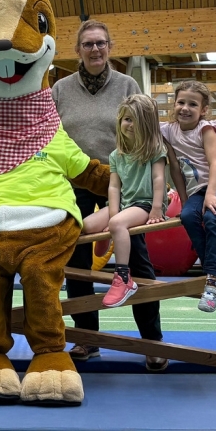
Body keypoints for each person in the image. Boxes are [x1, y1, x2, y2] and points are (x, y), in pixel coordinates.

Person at [51, 19, 166, 372]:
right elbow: (52, 135)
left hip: (125, 178)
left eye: (101, 43)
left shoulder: (127, 84)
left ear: (110, 47)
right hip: (78, 182)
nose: (95, 49)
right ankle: (86, 339)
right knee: (76, 264)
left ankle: (152, 341)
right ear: (78, 51)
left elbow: (148, 129)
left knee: (139, 261)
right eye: (88, 44)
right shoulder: (61, 89)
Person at [163, 80, 216, 313]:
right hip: (197, 191)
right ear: (174, 104)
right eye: (181, 102)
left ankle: (210, 283)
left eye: (193, 104)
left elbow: (214, 163)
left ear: (203, 110)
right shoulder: (167, 131)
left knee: (212, 216)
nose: (185, 108)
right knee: (187, 216)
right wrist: (185, 200)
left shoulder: (206, 129)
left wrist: (211, 195)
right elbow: (175, 168)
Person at [82, 95, 167, 308]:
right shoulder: (116, 155)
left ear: (146, 124)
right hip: (125, 204)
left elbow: (159, 179)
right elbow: (114, 186)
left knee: (118, 223)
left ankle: (123, 278)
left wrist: (157, 208)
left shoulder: (154, 149)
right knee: (87, 225)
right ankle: (108, 235)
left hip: (145, 203)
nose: (130, 125)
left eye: (136, 120)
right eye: (127, 119)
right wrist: (112, 212)